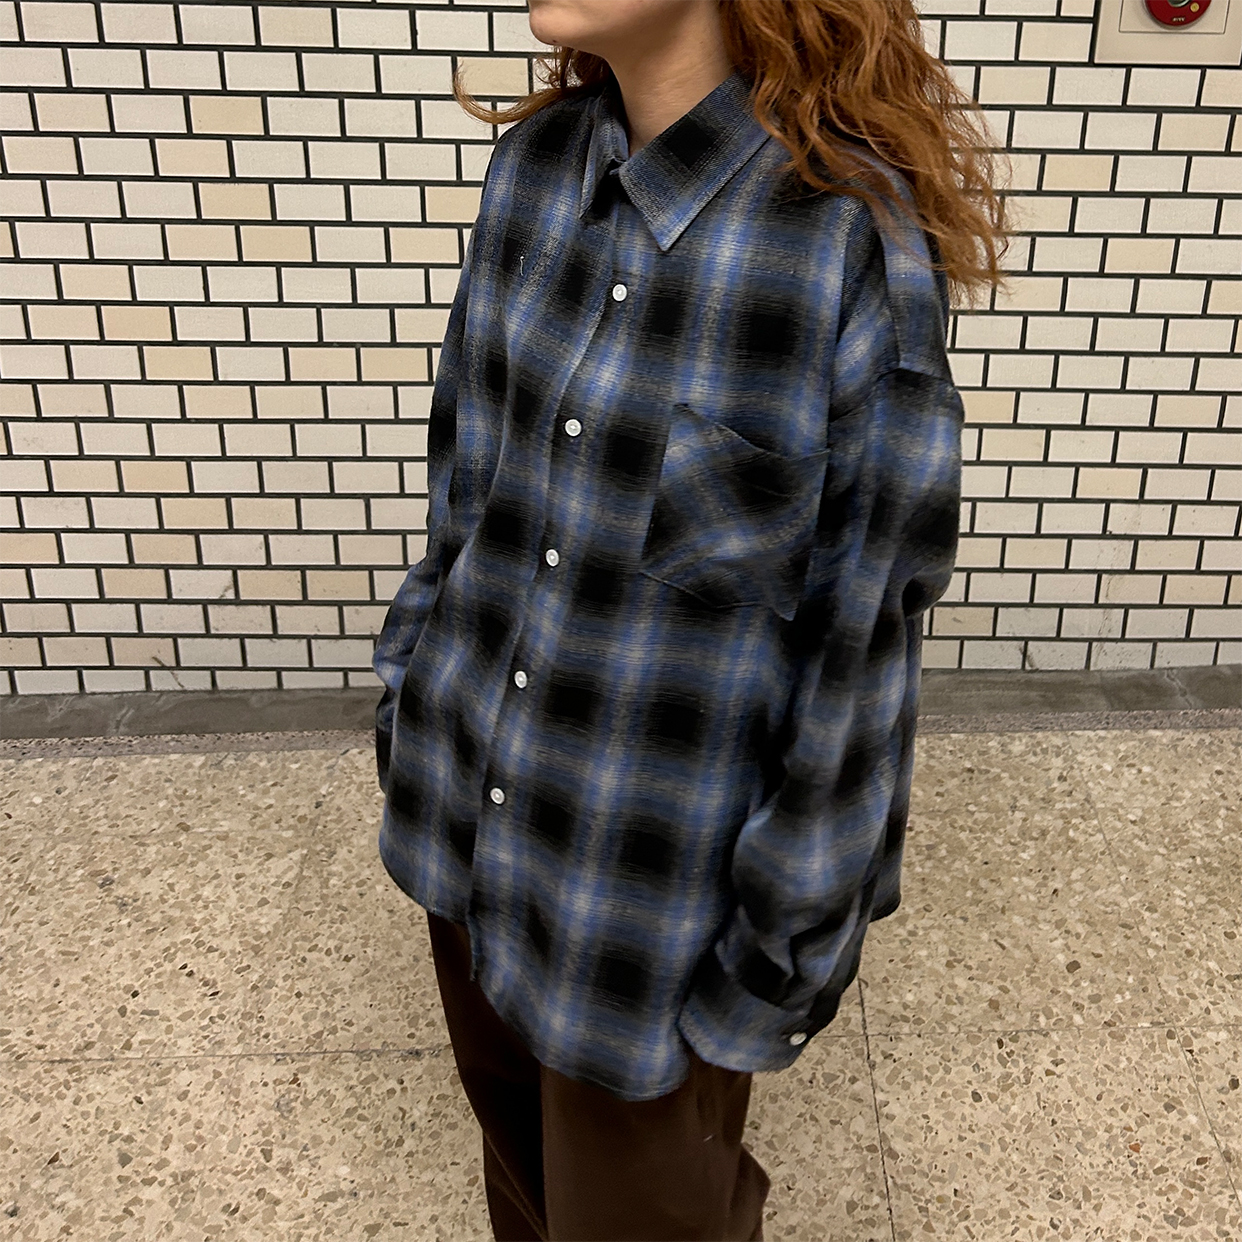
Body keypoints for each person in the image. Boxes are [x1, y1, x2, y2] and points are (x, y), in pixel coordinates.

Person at [371, 1, 1008, 1237]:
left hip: (644, 905)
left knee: (646, 1214)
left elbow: (859, 653)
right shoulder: (532, 173)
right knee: (519, 1183)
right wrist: (408, 691)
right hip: (463, 819)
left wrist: (784, 944)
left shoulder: (844, 244)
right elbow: (465, 484)